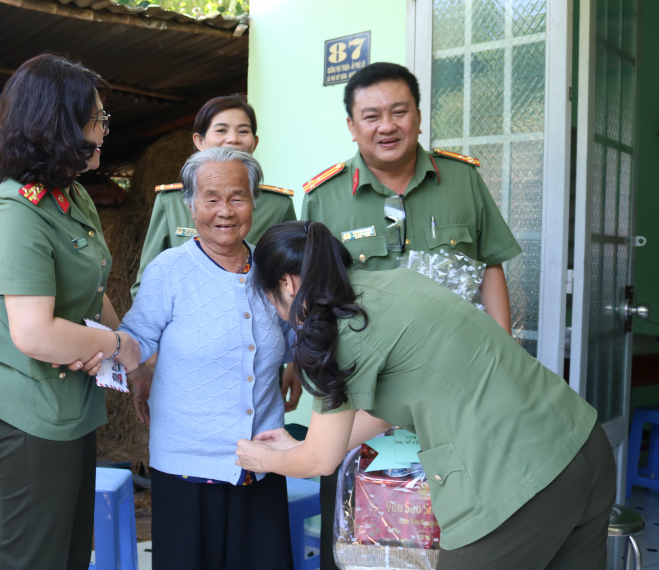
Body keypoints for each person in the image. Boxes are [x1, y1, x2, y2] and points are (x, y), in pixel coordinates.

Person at [237, 221, 615, 570]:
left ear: (287, 284)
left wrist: (261, 458)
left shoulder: (339, 329)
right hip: (582, 444)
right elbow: (386, 410)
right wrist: (291, 448)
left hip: (517, 483)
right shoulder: (397, 283)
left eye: (271, 301)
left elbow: (321, 460)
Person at [299, 62, 522, 558]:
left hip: (456, 390)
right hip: (365, 393)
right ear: (352, 125)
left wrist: (500, 358)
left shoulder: (462, 180)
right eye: (372, 115)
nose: (387, 126)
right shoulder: (324, 197)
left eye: (399, 111)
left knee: (456, 528)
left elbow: (489, 270)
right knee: (359, 531)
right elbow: (313, 300)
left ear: (419, 116)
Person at [0, 53, 142, 570]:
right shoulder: (15, 210)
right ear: (59, 124)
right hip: (30, 411)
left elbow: (94, 294)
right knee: (35, 557)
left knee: (70, 553)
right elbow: (35, 332)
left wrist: (130, 349)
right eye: (96, 119)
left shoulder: (71, 197)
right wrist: (116, 346)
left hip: (69, 406)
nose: (103, 131)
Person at [119, 147, 293, 570]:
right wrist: (124, 366)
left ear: (255, 202)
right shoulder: (170, 270)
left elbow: (300, 336)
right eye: (211, 198)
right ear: (191, 205)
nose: (225, 211)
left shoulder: (275, 270)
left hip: (261, 461)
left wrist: (301, 365)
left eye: (237, 197)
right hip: (186, 466)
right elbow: (135, 337)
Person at [135, 94, 302, 412]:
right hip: (188, 354)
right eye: (222, 130)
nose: (233, 139)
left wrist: (296, 360)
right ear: (199, 140)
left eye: (243, 131)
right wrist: (151, 350)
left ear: (255, 140)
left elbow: (291, 285)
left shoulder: (278, 204)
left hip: (257, 357)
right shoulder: (173, 201)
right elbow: (146, 281)